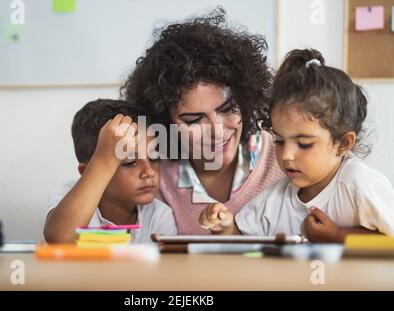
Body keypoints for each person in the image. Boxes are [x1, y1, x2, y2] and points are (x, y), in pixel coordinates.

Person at [199, 49, 394, 242]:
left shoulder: (360, 186)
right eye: (280, 141)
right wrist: (225, 229)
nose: (287, 155)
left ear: (342, 143)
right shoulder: (274, 199)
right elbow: (242, 244)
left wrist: (337, 236)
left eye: (304, 144)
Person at [122, 7, 284, 234]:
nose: (217, 131)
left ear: (245, 100)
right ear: (166, 122)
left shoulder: (285, 154)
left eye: (228, 109)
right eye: (194, 120)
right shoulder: (152, 176)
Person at [44, 99, 177, 243]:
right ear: (87, 171)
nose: (149, 172)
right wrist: (102, 160)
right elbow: (60, 239)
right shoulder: (69, 195)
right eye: (130, 162)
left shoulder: (158, 216)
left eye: (154, 158)